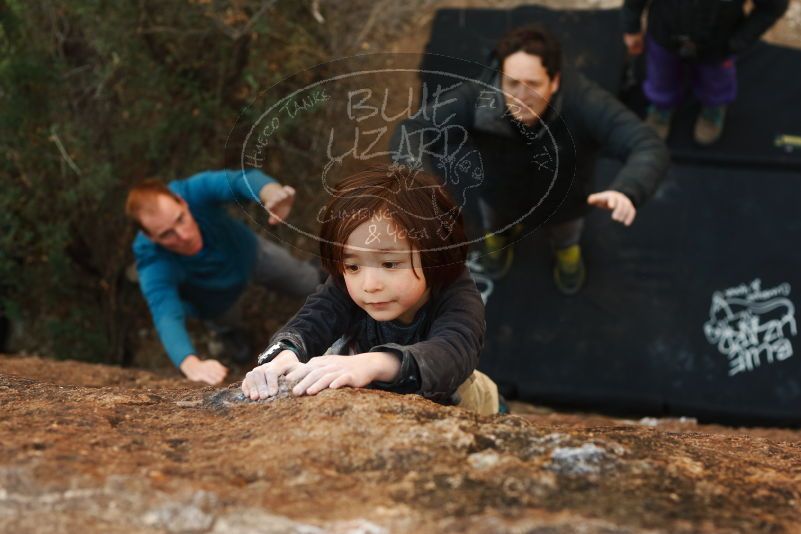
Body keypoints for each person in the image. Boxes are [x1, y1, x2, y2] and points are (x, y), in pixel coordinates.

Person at [391, 25, 670, 294]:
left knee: (567, 237)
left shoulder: (585, 101)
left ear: (555, 81)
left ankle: (567, 254)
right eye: (512, 84)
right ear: (500, 77)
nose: (521, 98)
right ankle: (498, 245)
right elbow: (412, 130)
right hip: (498, 194)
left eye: (533, 85)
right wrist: (420, 186)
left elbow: (647, 145)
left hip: (565, 201)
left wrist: (628, 188)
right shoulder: (477, 98)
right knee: (496, 229)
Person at [241, 165, 502, 415]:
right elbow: (313, 319)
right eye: (353, 266)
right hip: (367, 384)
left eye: (389, 263)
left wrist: (375, 363)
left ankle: (502, 407)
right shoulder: (345, 286)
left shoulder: (456, 291)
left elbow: (453, 353)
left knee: (479, 395)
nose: (369, 284)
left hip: (461, 396)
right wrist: (285, 354)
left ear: (435, 252)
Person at [126, 168, 321, 385]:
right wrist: (190, 362)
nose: (184, 235)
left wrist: (269, 192)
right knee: (226, 321)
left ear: (182, 202)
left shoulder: (192, 192)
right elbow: (165, 313)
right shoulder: (152, 260)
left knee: (305, 280)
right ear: (150, 236)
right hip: (216, 299)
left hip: (249, 253)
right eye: (166, 234)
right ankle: (231, 334)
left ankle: (320, 281)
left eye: (181, 219)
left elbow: (236, 181)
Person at [622, 0, 789, 144]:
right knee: (661, 75)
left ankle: (713, 106)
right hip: (664, 33)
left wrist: (739, 41)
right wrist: (632, 27)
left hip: (720, 43)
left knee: (717, 81)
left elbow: (772, 8)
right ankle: (662, 105)